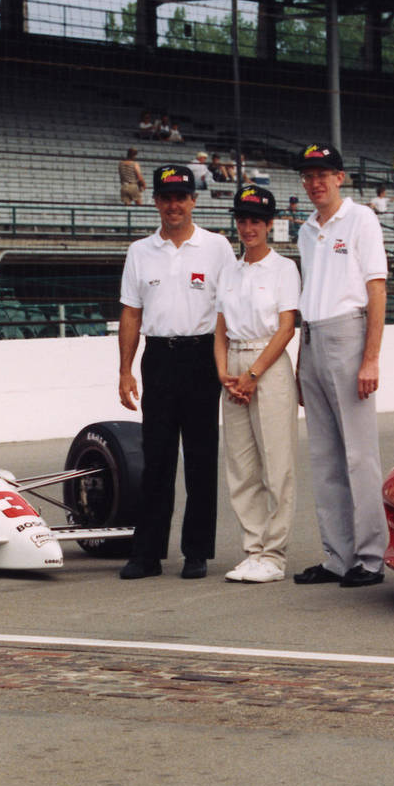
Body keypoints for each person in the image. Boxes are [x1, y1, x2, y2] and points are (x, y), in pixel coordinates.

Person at [116, 164, 234, 581]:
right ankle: (146, 553)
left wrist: (225, 365)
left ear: (193, 201)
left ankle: (197, 551)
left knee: (201, 457)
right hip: (159, 358)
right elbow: (131, 313)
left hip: (202, 356)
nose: (173, 205)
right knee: (157, 459)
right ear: (156, 202)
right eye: (166, 198)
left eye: (180, 197)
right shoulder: (139, 251)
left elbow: (229, 310)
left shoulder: (217, 248)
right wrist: (125, 370)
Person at [291, 143, 390, 588]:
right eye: (309, 175)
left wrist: (370, 357)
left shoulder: (361, 219)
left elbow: (376, 290)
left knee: (358, 455)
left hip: (348, 335)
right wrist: (299, 363)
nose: (315, 182)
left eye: (323, 174)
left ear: (340, 177)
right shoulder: (306, 230)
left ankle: (370, 557)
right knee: (324, 457)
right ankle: (337, 555)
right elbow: (308, 296)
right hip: (311, 339)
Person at [214, 185, 301, 584]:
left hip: (268, 363)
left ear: (269, 225)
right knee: (241, 466)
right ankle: (253, 549)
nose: (248, 228)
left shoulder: (284, 268)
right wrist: (224, 372)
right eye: (243, 220)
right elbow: (219, 328)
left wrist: (252, 375)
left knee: (276, 463)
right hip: (233, 363)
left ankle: (274, 554)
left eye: (256, 221)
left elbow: (286, 328)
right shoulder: (229, 270)